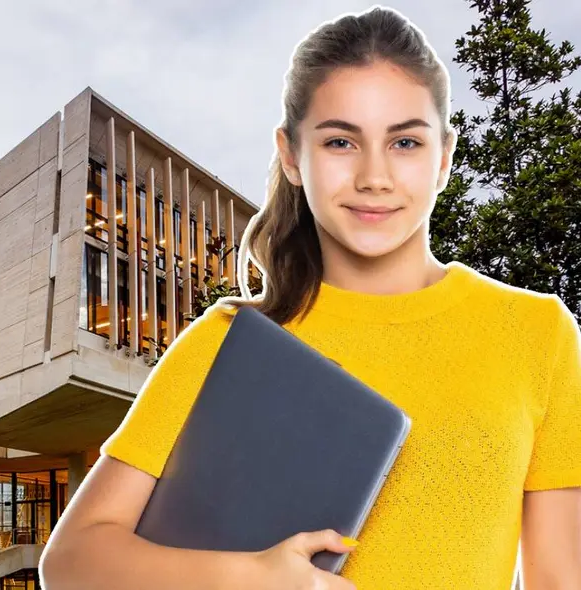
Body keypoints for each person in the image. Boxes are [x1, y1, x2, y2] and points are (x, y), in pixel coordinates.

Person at [39, 6, 581, 589]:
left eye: (405, 142)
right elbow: (70, 562)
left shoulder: (536, 332)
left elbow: (561, 578)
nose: (374, 176)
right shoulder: (229, 344)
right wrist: (250, 577)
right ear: (293, 156)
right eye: (341, 141)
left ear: (444, 158)